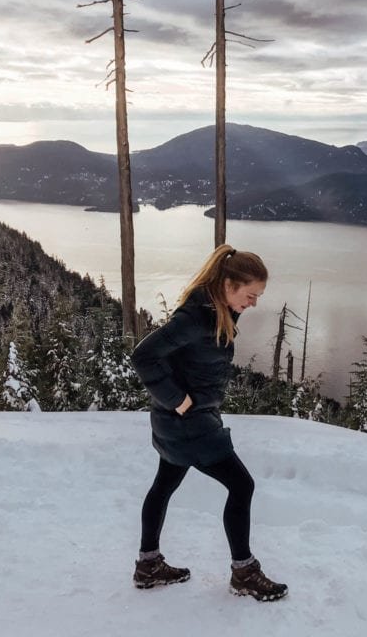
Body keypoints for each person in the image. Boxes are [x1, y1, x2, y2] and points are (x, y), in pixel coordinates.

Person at [130, 244, 288, 602]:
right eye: (250, 295)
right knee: (241, 485)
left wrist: (180, 404)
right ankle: (244, 572)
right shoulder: (196, 317)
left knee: (164, 484)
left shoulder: (217, 308)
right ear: (229, 284)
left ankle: (148, 564)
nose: (254, 303)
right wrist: (179, 400)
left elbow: (210, 338)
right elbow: (143, 356)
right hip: (190, 424)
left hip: (179, 422)